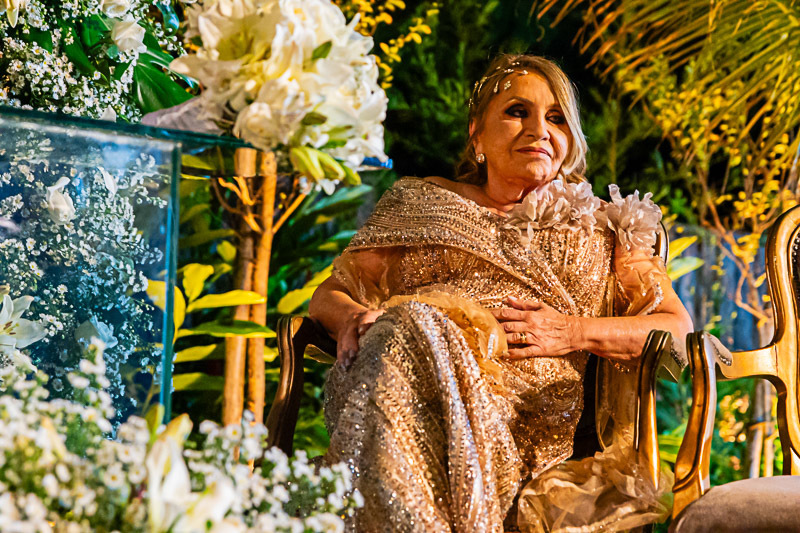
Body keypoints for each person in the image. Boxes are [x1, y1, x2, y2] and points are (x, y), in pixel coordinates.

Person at [308, 54, 693, 532]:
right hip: (403, 383)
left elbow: (676, 329)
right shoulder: (423, 203)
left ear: (571, 138)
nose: (539, 130)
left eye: (556, 118)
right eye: (517, 112)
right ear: (477, 135)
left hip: (522, 426)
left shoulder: (609, 226)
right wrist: (350, 318)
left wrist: (572, 332)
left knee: (407, 328)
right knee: (408, 327)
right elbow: (332, 293)